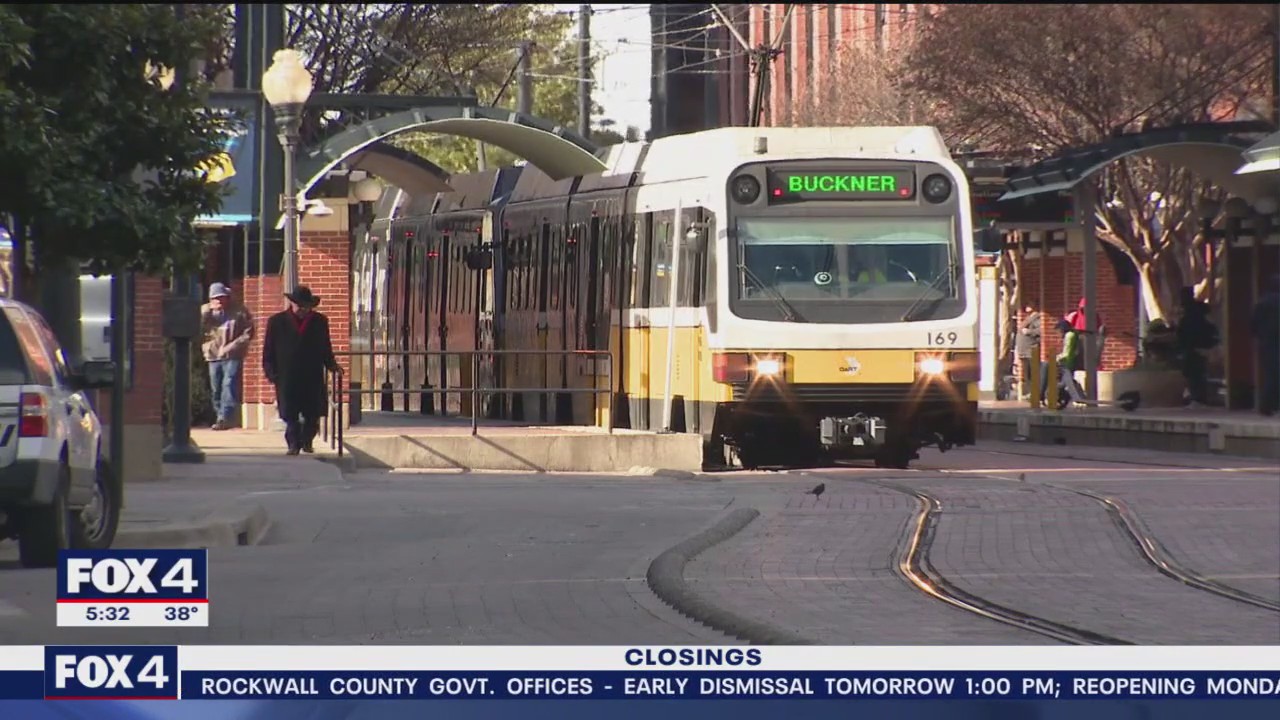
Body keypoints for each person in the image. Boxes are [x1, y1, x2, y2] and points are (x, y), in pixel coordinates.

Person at [262, 286, 340, 455]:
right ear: (292, 304)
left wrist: (332, 365)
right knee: (290, 414)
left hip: (311, 374)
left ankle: (307, 441)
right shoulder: (277, 322)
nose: (303, 310)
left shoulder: (319, 322)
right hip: (286, 375)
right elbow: (268, 350)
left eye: (307, 307)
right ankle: (293, 444)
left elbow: (326, 347)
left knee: (312, 412)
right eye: (300, 306)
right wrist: (270, 372)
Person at [200, 282, 254, 431]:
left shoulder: (239, 311)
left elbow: (249, 332)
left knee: (228, 384)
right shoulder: (205, 312)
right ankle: (220, 415)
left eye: (222, 297)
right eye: (216, 298)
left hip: (232, 354)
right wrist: (206, 313)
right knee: (216, 387)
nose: (219, 301)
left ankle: (226, 417)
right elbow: (197, 330)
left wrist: (232, 346)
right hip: (213, 355)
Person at [1174, 286, 1218, 407]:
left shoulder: (1190, 313)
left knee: (1194, 373)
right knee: (1197, 373)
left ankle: (1198, 398)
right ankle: (1198, 397)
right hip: (1199, 346)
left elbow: (1185, 331)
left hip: (1192, 346)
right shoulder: (1200, 311)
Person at [1251, 275, 1280, 416]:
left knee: (1270, 373)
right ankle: (1269, 404)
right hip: (1276, 341)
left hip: (1265, 343)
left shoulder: (1261, 303)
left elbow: (1253, 325)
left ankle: (1267, 405)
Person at [1041, 319, 1086, 408]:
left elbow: (1067, 353)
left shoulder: (1069, 336)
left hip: (1067, 363)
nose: (1059, 333)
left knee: (1046, 367)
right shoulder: (1074, 334)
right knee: (1064, 381)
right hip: (1071, 361)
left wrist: (1056, 358)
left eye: (1059, 330)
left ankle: (1041, 394)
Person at [1015, 305, 1042, 399]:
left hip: (1031, 350)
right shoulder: (1027, 318)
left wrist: (1029, 331)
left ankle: (1036, 393)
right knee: (1027, 374)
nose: (1026, 307)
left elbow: (1040, 330)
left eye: (1029, 305)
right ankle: (1031, 392)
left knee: (1033, 373)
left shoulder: (1036, 318)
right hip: (1024, 351)